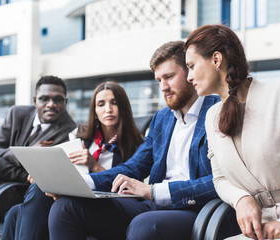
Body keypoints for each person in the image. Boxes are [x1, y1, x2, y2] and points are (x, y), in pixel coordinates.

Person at [47, 41, 229, 240]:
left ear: (190, 71)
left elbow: (221, 181)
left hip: (195, 210)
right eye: (159, 80)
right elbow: (133, 168)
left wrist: (153, 191)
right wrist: (80, 183)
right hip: (151, 206)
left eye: (169, 77)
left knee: (144, 225)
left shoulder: (218, 111)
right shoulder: (162, 119)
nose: (164, 87)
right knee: (65, 206)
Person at [185, 24, 280, 240]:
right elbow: (219, 179)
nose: (189, 77)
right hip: (264, 229)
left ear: (216, 60)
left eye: (191, 66)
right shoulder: (211, 117)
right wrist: (240, 199)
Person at [2, 80, 144, 240]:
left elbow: (132, 190)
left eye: (114, 103)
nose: (108, 109)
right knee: (16, 212)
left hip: (109, 206)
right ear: (94, 110)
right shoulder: (80, 136)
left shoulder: (138, 144)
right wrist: (43, 175)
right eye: (101, 104)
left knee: (30, 203)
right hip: (72, 197)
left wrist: (94, 165)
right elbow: (66, 172)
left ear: (123, 107)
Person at [0, 75, 76, 220]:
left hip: (11, 196)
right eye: (44, 98)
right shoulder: (17, 113)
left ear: (66, 102)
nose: (51, 104)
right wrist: (29, 154)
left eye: (58, 99)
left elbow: (31, 179)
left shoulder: (70, 133)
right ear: (35, 100)